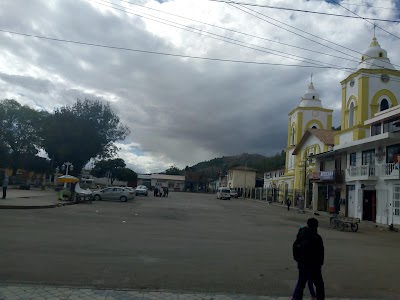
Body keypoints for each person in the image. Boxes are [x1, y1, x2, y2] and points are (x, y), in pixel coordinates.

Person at [291, 218, 325, 300]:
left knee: (301, 284)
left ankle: (297, 298)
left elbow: (295, 247)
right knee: (319, 285)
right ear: (316, 226)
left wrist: (298, 260)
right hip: (314, 266)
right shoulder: (317, 237)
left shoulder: (301, 234)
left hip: (303, 265)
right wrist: (320, 264)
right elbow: (321, 252)